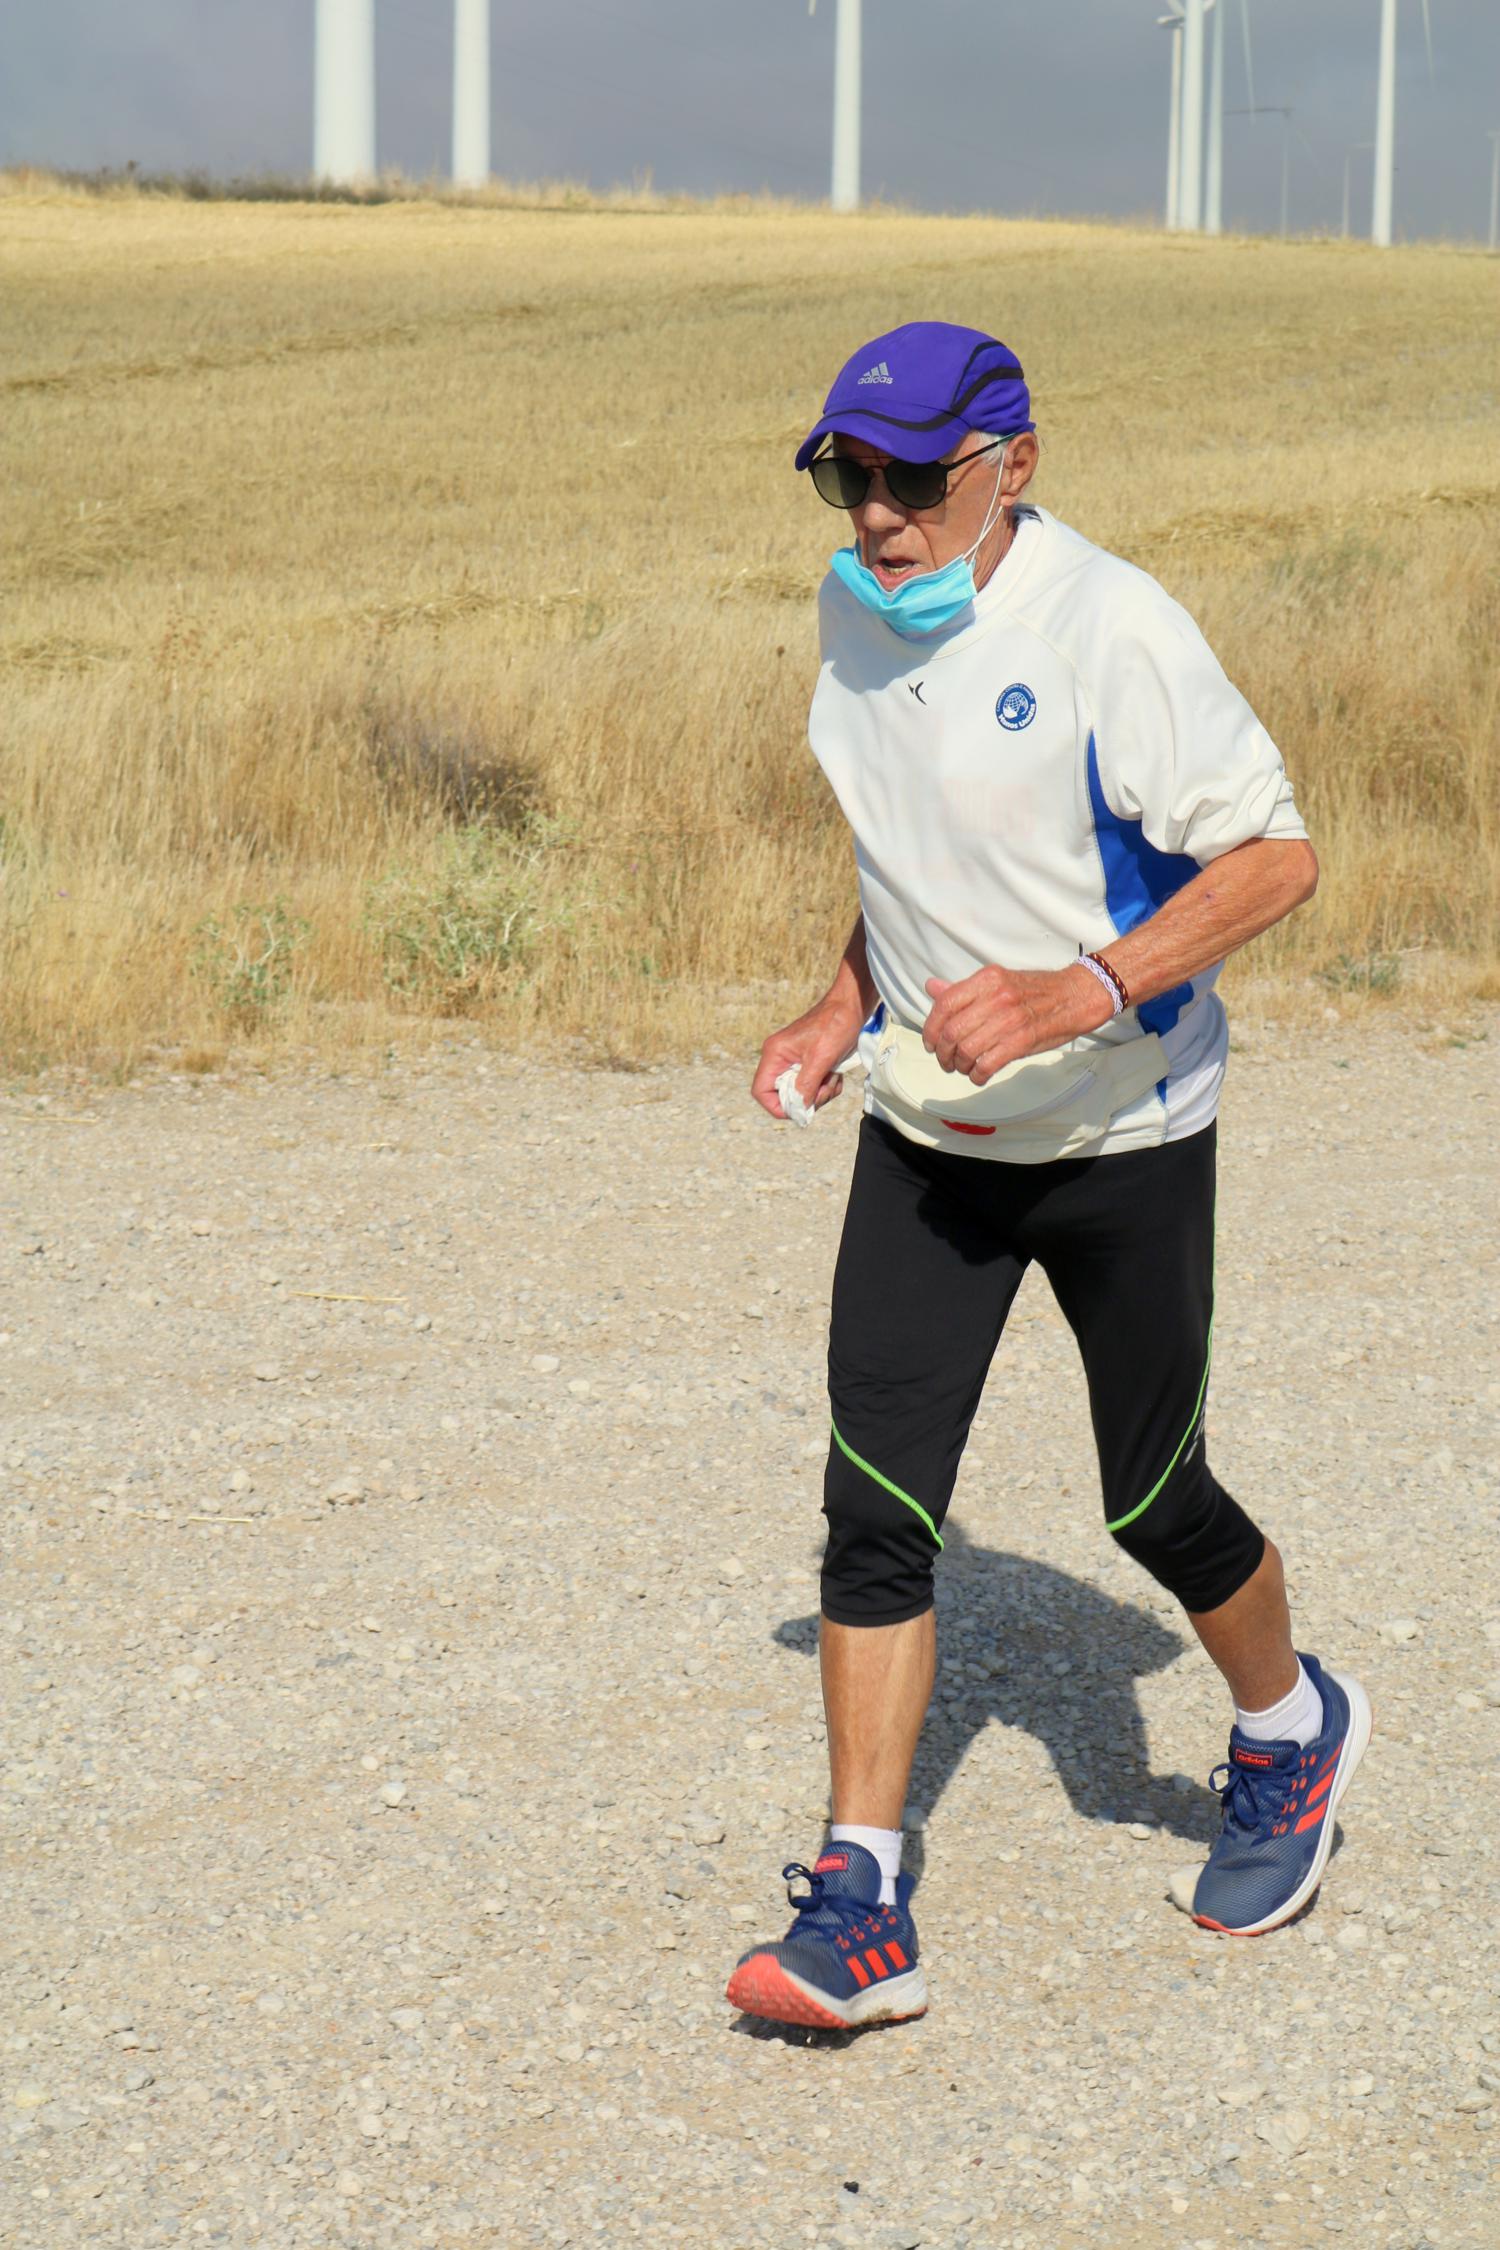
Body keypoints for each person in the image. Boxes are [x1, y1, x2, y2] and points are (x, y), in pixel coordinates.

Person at [724, 321, 1370, 2033]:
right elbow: (909, 854)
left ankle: (1290, 1726)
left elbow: (1278, 856)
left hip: (1119, 1130)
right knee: (875, 1507)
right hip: (930, 1132)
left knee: (1154, 1496)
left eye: (911, 479)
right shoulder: (853, 616)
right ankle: (860, 1898)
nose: (873, 517)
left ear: (1014, 464)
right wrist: (839, 998)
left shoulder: (1113, 628)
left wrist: (1082, 989)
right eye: (844, 478)